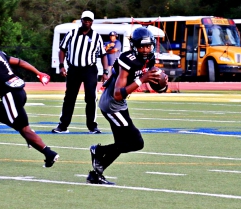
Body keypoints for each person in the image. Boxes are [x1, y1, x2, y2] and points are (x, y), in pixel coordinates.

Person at [86, 27, 168, 184]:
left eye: (148, 46)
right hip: (111, 104)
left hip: (119, 104)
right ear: (134, 46)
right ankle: (98, 151)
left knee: (121, 144)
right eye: (141, 46)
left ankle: (95, 175)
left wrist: (161, 84)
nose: (145, 50)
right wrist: (142, 80)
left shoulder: (149, 59)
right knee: (137, 142)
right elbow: (117, 93)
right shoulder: (127, 59)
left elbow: (151, 79)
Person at [0, 28, 59, 168]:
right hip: (19, 92)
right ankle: (28, 135)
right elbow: (20, 62)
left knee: (25, 129)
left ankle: (49, 154)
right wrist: (38, 73)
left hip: (10, 95)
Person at [52, 10, 109, 134]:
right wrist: (61, 65)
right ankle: (63, 125)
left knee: (91, 97)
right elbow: (62, 49)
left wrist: (105, 71)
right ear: (81, 20)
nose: (87, 22)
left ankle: (92, 126)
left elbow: (103, 55)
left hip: (90, 69)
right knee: (69, 97)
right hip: (74, 69)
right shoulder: (71, 34)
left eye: (89, 20)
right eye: (85, 19)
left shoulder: (96, 36)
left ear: (92, 22)